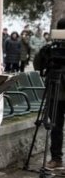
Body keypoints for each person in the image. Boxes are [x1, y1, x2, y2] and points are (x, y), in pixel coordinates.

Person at [34, 18, 65, 170]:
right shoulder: (50, 48)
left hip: (56, 93)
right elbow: (39, 65)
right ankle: (56, 159)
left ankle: (56, 158)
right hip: (55, 92)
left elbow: (37, 65)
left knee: (56, 126)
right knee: (55, 126)